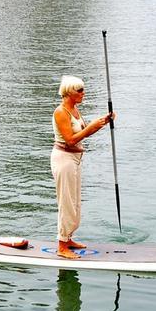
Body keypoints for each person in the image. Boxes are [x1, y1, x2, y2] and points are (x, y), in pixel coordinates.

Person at [51, 75, 115, 259]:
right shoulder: (61, 112)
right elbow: (70, 140)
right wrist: (90, 127)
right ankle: (62, 245)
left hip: (75, 159)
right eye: (80, 90)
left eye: (83, 90)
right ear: (69, 92)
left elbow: (84, 133)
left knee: (75, 202)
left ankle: (68, 238)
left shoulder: (74, 110)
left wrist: (103, 122)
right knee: (66, 202)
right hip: (64, 159)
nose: (83, 93)